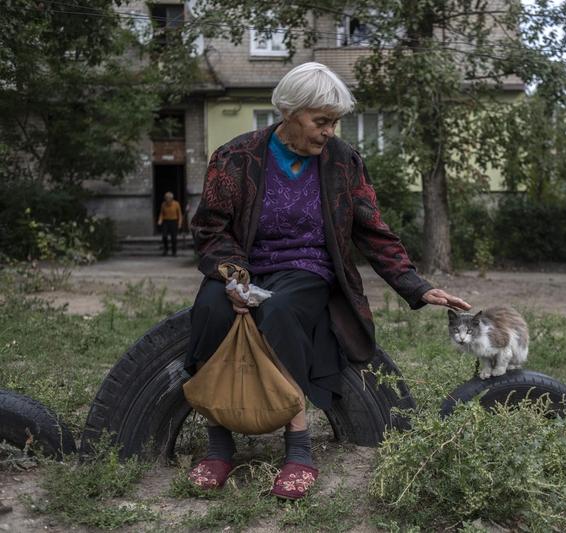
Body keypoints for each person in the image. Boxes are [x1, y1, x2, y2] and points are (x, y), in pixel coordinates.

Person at [185, 62, 471, 500]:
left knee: (279, 310)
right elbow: (210, 228)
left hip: (307, 268)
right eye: (321, 121)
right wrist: (232, 276)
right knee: (210, 310)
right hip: (244, 266)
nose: (329, 131)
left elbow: (372, 230)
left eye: (334, 121)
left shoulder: (343, 161)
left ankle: (298, 448)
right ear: (288, 112)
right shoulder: (236, 157)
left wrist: (415, 284)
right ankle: (219, 444)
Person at [157, 191, 182, 256]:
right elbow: (161, 213)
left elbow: (179, 215)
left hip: (174, 221)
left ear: (171, 199)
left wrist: (179, 223)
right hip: (165, 221)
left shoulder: (176, 204)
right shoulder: (163, 204)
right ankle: (166, 250)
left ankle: (174, 252)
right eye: (166, 198)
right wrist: (160, 220)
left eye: (168, 198)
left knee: (174, 238)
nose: (167, 200)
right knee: (164, 236)